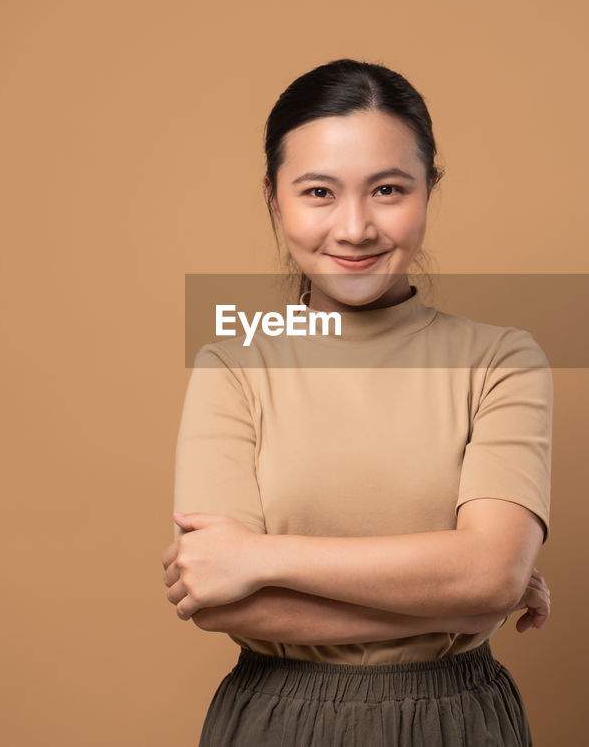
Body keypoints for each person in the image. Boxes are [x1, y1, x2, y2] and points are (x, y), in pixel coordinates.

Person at [163, 58, 554, 746]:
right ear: (273, 197)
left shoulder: (501, 359)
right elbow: (225, 605)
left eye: (388, 190)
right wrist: (461, 602)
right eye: (318, 191)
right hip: (278, 721)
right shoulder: (231, 364)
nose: (354, 228)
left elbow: (492, 574)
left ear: (429, 190)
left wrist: (261, 556)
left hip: (456, 721)